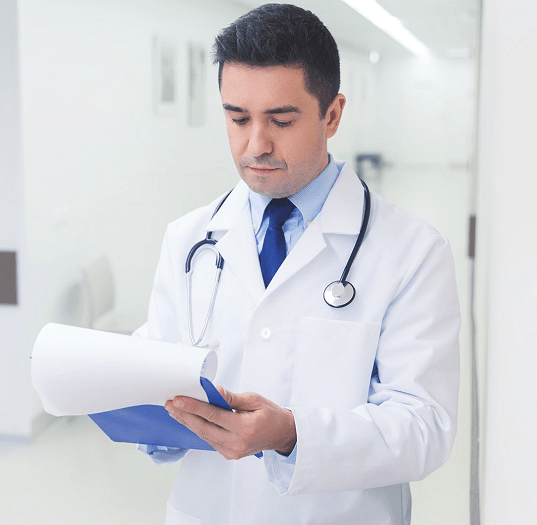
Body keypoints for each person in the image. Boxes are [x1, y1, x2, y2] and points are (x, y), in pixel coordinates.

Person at [133, 4, 460, 524]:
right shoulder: (190, 239)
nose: (254, 144)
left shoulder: (413, 251)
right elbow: (159, 381)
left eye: (281, 120)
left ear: (332, 115)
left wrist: (290, 434)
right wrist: (140, 408)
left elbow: (424, 428)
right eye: (237, 118)